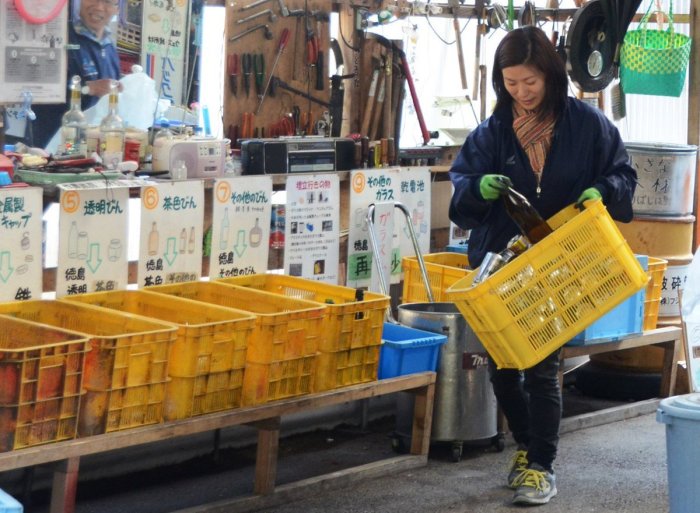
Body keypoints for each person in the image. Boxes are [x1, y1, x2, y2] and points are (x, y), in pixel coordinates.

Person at [448, 26, 636, 506]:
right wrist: (476, 188)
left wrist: (605, 192)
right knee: (503, 366)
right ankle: (529, 447)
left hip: (560, 264)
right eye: (511, 83)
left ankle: (541, 466)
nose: (522, 93)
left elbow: (622, 171)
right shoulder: (491, 134)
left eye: (529, 82)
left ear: (550, 75)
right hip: (505, 267)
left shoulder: (588, 125)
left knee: (540, 364)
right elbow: (461, 193)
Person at [32, 0, 122, 149]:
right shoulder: (59, 37)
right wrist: (88, 89)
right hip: (53, 144)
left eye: (108, 1)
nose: (99, 6)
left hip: (93, 145)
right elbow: (40, 88)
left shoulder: (109, 47)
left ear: (117, 9)